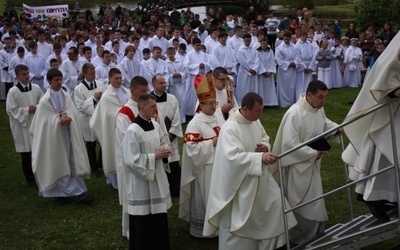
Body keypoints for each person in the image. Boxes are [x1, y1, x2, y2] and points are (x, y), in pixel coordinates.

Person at [203, 92, 297, 248]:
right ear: (245, 109)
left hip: (260, 178)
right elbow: (231, 158)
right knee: (241, 221)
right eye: (257, 111)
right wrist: (259, 158)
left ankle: (272, 243)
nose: (260, 114)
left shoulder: (254, 121)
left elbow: (264, 136)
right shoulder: (230, 128)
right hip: (239, 185)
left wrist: (265, 146)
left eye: (262, 110)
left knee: (276, 206)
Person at [342, 32, 400, 222]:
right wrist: (394, 89)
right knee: (385, 153)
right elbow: (384, 74)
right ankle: (377, 198)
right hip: (391, 113)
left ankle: (391, 197)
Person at [272, 80, 339, 245]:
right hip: (297, 167)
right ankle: (298, 236)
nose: (323, 101)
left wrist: (338, 128)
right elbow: (289, 144)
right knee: (301, 202)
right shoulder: (295, 113)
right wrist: (311, 154)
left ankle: (314, 232)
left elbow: (324, 124)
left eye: (325, 97)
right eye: (320, 97)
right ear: (309, 95)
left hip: (312, 164)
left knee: (315, 198)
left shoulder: (317, 109)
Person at [30, 68, 92, 204]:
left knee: (72, 160)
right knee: (57, 161)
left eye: (60, 80)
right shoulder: (45, 101)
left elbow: (73, 112)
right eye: (56, 80)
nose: (59, 82)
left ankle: (78, 194)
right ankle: (58, 194)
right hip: (54, 138)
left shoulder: (66, 96)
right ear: (49, 81)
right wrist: (58, 121)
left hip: (69, 134)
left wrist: (69, 119)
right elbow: (43, 123)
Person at [122, 94, 172, 250]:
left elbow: (163, 143)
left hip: (156, 178)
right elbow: (130, 160)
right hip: (141, 183)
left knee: (158, 216)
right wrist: (153, 156)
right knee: (143, 219)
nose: (155, 109)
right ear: (142, 107)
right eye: (152, 106)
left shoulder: (155, 125)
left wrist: (165, 152)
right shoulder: (133, 130)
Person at [179, 72, 225, 237]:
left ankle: (221, 226)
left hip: (220, 164)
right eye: (209, 104)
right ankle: (206, 229)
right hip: (205, 168)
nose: (214, 106)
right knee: (207, 198)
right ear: (201, 104)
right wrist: (211, 143)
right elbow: (191, 149)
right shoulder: (195, 124)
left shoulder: (218, 118)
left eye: (214, 102)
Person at [115, 75, 150, 239]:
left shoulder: (147, 106)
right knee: (133, 196)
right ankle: (130, 230)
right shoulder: (125, 113)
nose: (144, 94)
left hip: (148, 159)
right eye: (141, 91)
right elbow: (125, 142)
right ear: (132, 90)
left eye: (146, 91)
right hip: (133, 162)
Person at [90, 68, 130, 189]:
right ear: (109, 79)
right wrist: (122, 112)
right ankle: (116, 181)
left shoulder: (126, 92)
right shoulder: (107, 96)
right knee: (115, 153)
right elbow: (107, 114)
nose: (118, 80)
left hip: (127, 126)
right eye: (116, 78)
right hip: (113, 129)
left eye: (120, 78)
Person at [6, 64, 43, 187]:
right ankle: (30, 180)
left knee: (37, 151)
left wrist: (36, 108)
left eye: (27, 73)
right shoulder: (13, 91)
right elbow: (11, 110)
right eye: (23, 74)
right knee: (26, 153)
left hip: (35, 122)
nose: (27, 76)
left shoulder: (36, 88)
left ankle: (40, 174)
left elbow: (43, 103)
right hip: (22, 125)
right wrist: (27, 110)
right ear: (17, 76)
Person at [151, 74, 183, 198]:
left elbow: (176, 117)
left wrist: (170, 135)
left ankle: (176, 189)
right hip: (156, 139)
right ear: (153, 84)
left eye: (164, 82)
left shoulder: (172, 98)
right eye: (160, 83)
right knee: (161, 165)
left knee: (173, 164)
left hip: (170, 137)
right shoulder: (149, 100)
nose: (164, 85)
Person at [74, 63, 104, 178]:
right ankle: (94, 167)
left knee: (102, 142)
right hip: (87, 119)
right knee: (90, 144)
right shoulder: (79, 89)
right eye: (91, 73)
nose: (93, 75)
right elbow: (80, 106)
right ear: (84, 74)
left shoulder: (101, 84)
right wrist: (94, 99)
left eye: (94, 73)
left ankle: (101, 163)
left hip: (100, 118)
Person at [275, 31, 298, 108]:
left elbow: (298, 57)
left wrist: (295, 63)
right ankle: (284, 103)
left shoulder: (294, 47)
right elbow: (278, 59)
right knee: (284, 86)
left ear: (290, 39)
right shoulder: (279, 48)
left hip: (292, 69)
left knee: (292, 86)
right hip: (284, 70)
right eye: (285, 39)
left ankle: (292, 101)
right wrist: (288, 64)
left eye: (288, 39)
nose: (286, 41)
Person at [165, 47, 187, 124]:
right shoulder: (166, 63)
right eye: (169, 54)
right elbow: (165, 74)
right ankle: (174, 120)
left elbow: (185, 72)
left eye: (172, 53)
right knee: (173, 102)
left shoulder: (179, 62)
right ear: (167, 54)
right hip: (172, 85)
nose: (171, 55)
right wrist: (171, 76)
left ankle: (182, 119)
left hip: (180, 85)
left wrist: (180, 74)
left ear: (174, 53)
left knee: (181, 102)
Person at [256, 38, 278, 106]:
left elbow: (272, 61)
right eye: (262, 43)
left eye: (265, 44)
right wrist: (263, 71)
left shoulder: (270, 52)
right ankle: (263, 103)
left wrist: (269, 71)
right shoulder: (257, 52)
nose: (264, 45)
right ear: (260, 44)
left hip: (269, 72)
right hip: (262, 73)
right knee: (261, 88)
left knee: (269, 89)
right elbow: (258, 62)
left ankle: (270, 102)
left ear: (267, 44)